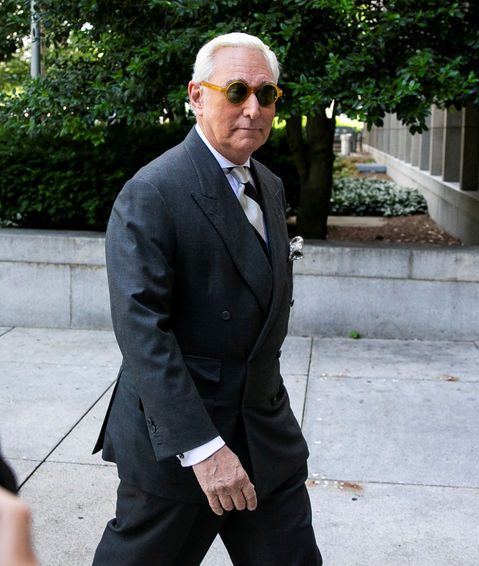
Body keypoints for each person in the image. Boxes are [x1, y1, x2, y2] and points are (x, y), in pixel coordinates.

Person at [92, 32, 321, 566]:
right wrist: (203, 449)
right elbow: (142, 330)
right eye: (236, 90)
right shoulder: (153, 191)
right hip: (181, 449)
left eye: (267, 95)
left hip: (265, 439)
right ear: (196, 95)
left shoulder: (269, 182)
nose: (253, 108)